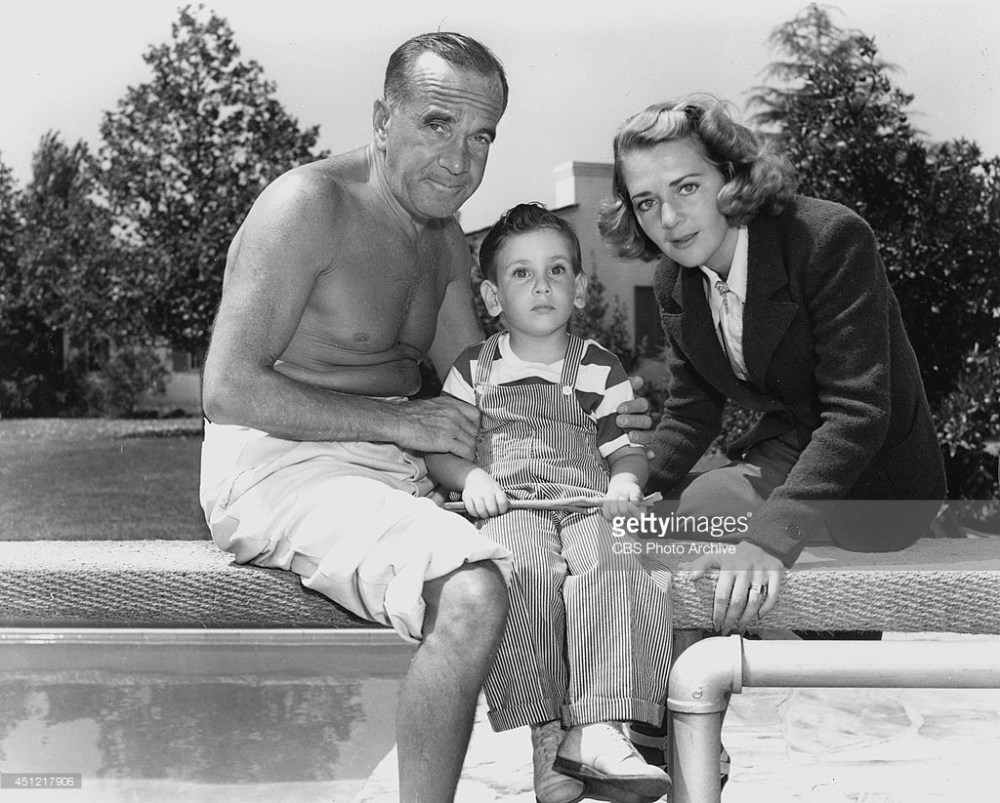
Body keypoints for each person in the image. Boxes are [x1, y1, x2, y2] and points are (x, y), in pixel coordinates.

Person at [199, 33, 650, 802]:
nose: (459, 160)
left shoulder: (441, 236)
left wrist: (595, 420)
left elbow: (485, 392)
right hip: (284, 463)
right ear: (383, 119)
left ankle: (564, 757)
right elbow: (229, 388)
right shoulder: (308, 206)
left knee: (563, 533)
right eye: (437, 125)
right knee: (472, 588)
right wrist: (404, 425)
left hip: (397, 460)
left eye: (481, 136)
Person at [598, 94, 947, 637]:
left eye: (686, 187)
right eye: (646, 202)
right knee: (672, 516)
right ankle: (682, 686)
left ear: (731, 176)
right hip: (790, 450)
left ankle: (828, 648)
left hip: (876, 479)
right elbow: (691, 412)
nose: (667, 218)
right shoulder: (675, 281)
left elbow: (857, 413)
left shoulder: (829, 238)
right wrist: (622, 488)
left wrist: (766, 542)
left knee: (726, 538)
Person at [425, 203, 672, 803]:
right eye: (522, 273)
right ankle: (550, 733)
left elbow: (625, 446)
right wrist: (468, 477)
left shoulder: (599, 368)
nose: (542, 286)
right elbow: (441, 449)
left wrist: (625, 482)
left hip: (586, 503)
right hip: (510, 507)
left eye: (557, 270)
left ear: (579, 288)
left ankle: (601, 724)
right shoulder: (472, 371)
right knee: (523, 571)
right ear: (492, 297)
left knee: (616, 562)